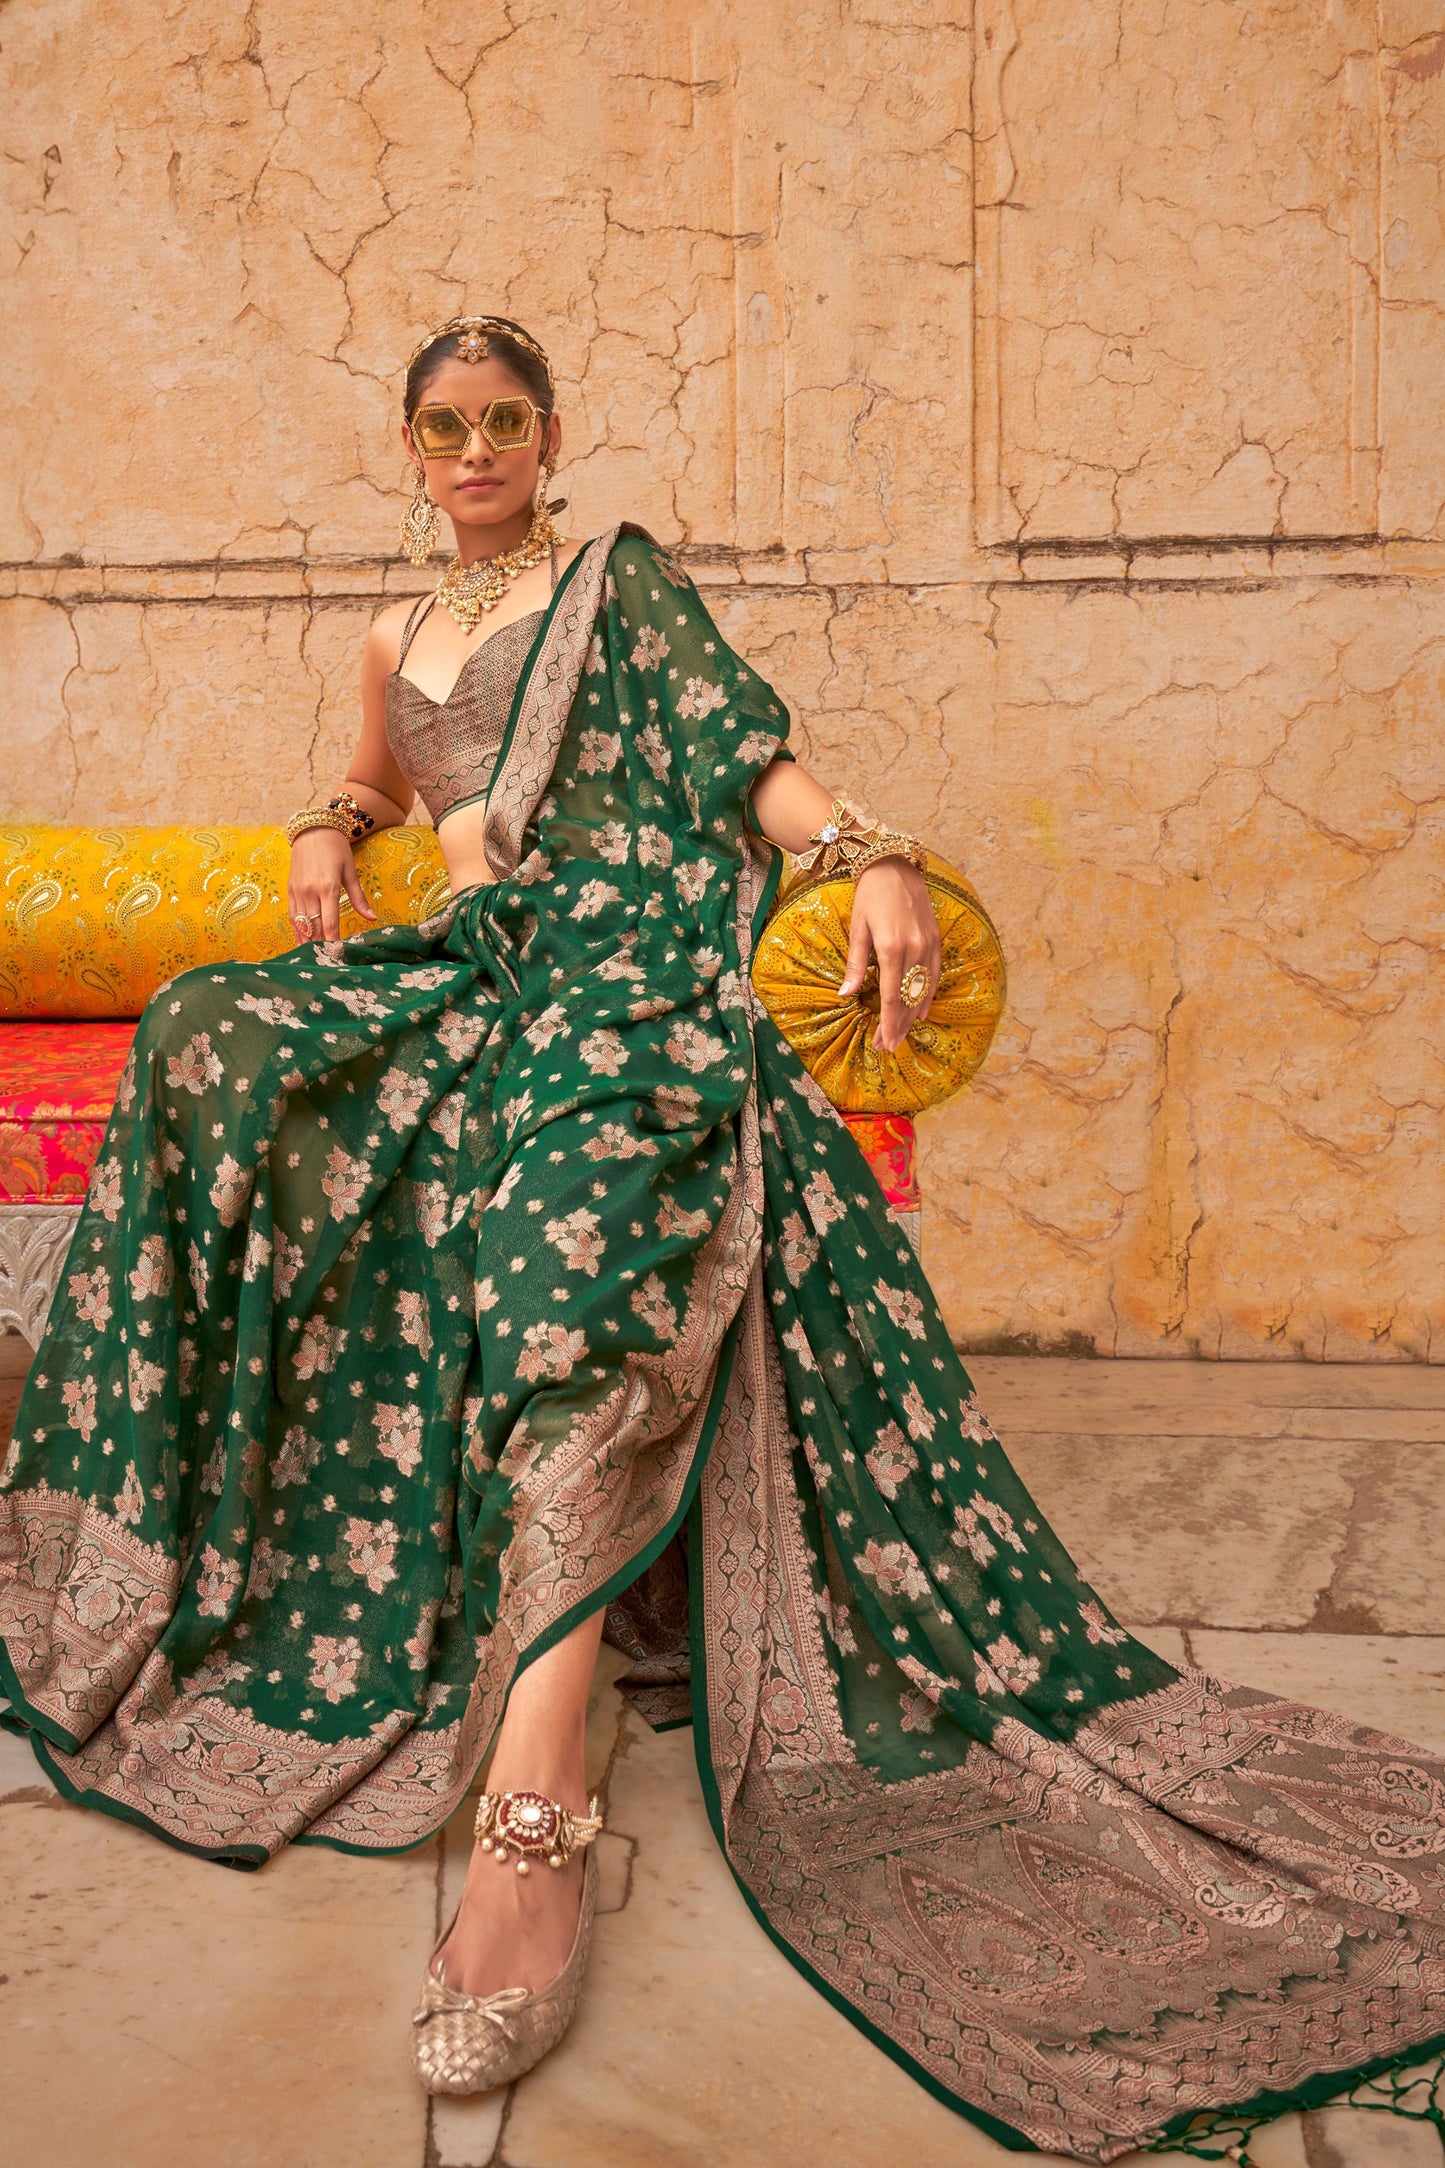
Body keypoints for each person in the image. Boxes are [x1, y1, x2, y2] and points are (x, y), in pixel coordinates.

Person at [2, 314, 1441, 2160]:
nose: (473, 450)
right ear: (409, 446)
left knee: (565, 1248)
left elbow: (752, 759)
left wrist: (863, 850)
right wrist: (326, 825)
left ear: (547, 435)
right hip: (480, 968)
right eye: (442, 425)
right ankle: (186, 1527)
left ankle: (535, 1800)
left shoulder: (619, 585)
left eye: (503, 419)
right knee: (210, 1025)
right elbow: (383, 780)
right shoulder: (390, 631)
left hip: (627, 974)